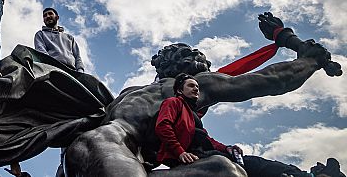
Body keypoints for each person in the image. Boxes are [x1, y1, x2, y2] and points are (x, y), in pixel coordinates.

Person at [63, 14, 342, 177]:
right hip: (112, 154)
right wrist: (309, 61)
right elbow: (271, 80)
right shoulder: (194, 85)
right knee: (225, 171)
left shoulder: (128, 95)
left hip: (86, 151)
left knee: (219, 168)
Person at [156, 74, 312, 176]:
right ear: (179, 90)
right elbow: (163, 126)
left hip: (204, 152)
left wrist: (227, 148)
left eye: (197, 86)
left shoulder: (192, 114)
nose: (196, 88)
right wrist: (180, 152)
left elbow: (206, 139)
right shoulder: (173, 102)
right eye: (191, 85)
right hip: (192, 156)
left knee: (255, 163)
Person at [34, 8, 84, 72]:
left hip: (72, 71)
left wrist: (80, 71)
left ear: (57, 17)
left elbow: (77, 57)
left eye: (50, 14)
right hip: (52, 69)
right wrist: (53, 67)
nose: (47, 16)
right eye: (45, 15)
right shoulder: (40, 34)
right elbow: (41, 52)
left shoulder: (69, 38)